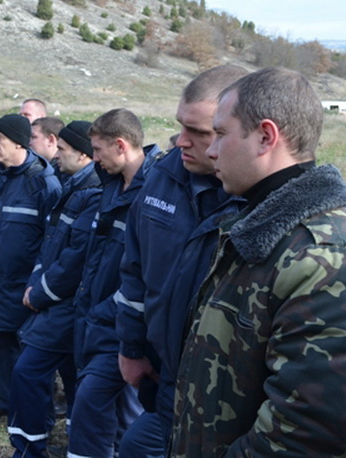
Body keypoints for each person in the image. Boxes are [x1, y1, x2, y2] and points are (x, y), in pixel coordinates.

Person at [172, 67, 346, 456]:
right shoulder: (260, 230)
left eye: (220, 134)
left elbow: (308, 434)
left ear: (266, 137)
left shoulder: (326, 256)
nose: (212, 150)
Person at [115, 65, 249, 455]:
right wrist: (131, 347)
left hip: (227, 400)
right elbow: (135, 269)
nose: (182, 141)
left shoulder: (262, 200)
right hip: (164, 376)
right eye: (181, 127)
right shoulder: (163, 176)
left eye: (202, 133)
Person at [67, 109, 160, 458]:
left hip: (124, 322)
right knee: (121, 412)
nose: (93, 159)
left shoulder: (156, 193)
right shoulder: (108, 186)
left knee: (91, 401)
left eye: (97, 150)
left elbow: (151, 271)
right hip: (96, 316)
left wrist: (106, 310)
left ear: (120, 145)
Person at [8, 121, 101, 457]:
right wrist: (36, 280)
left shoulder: (94, 195)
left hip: (65, 306)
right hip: (56, 302)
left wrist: (39, 293)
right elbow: (50, 246)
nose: (56, 155)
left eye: (62, 150)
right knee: (72, 378)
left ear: (83, 153)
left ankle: (30, 448)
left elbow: (75, 259)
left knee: (28, 371)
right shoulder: (72, 186)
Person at [0, 114, 62, 418]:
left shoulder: (43, 184)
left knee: (28, 352)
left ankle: (34, 411)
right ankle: (2, 402)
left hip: (24, 286)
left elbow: (53, 241)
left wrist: (38, 284)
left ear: (18, 143)